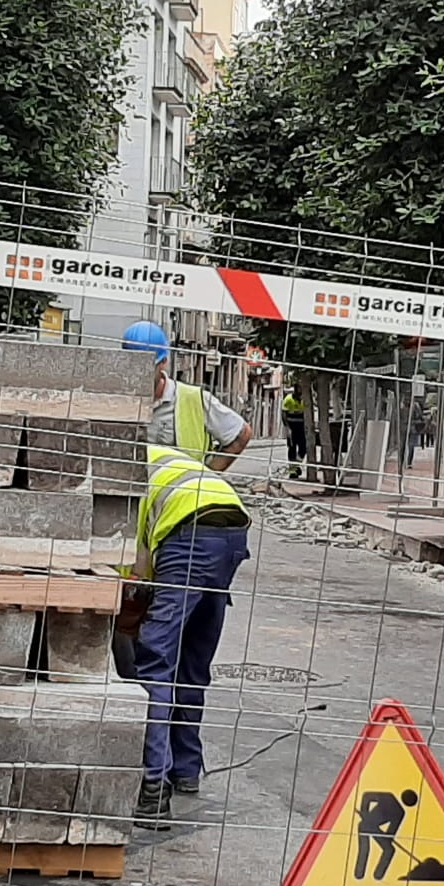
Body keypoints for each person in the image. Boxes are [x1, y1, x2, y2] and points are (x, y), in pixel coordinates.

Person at [125, 443, 253, 825]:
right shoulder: (163, 457)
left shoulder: (125, 471)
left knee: (155, 660)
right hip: (232, 532)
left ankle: (153, 788)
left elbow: (135, 566)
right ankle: (186, 770)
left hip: (188, 537)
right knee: (194, 658)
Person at [122, 322, 254, 471]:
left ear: (164, 363)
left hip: (178, 493)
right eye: (134, 368)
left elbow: (242, 434)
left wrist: (206, 476)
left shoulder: (194, 399)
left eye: (147, 368)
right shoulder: (118, 400)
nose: (140, 375)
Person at [281, 389, 307, 464]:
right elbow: (283, 414)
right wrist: (287, 427)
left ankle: (297, 462)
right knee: (292, 447)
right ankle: (292, 469)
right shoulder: (288, 399)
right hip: (291, 427)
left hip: (302, 428)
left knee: (303, 447)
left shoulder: (305, 400)